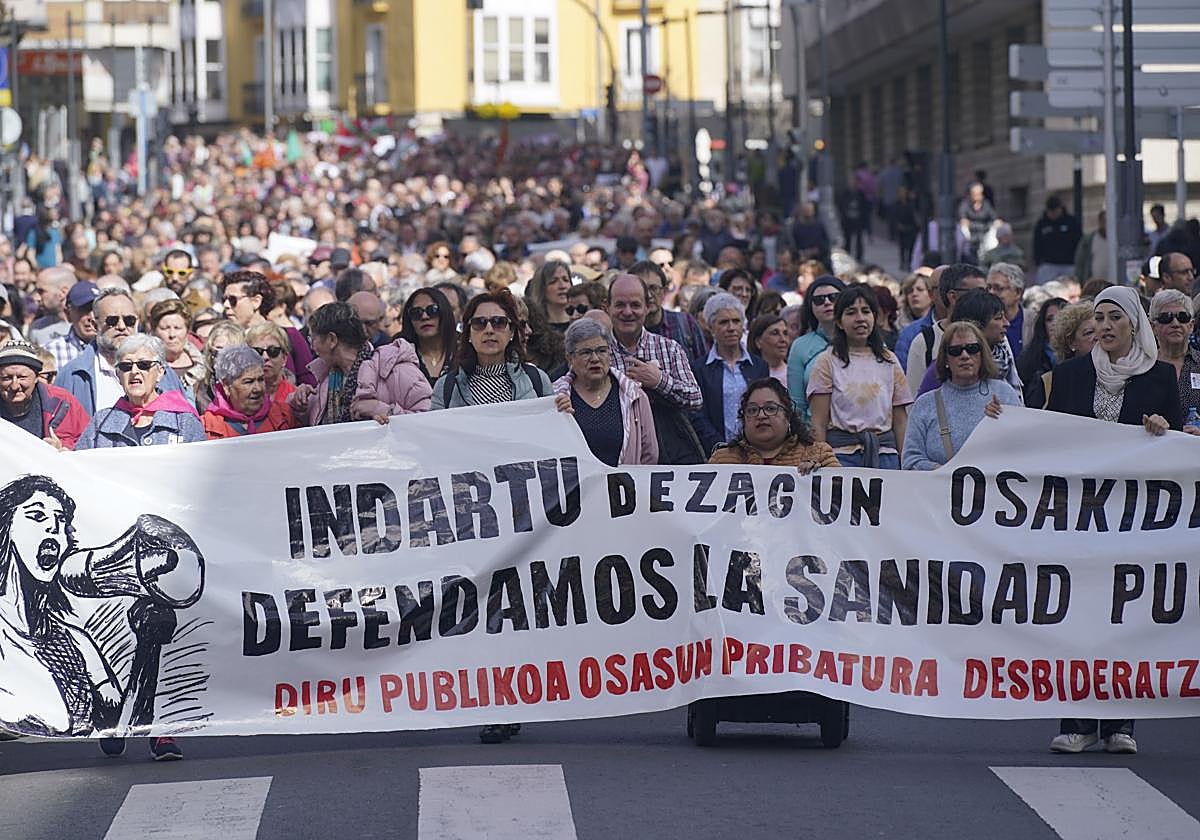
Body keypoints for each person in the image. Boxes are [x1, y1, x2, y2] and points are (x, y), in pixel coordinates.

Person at [1043, 286, 1181, 755]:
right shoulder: (1068, 375)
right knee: (1080, 616)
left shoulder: (1160, 377)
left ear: (1134, 325)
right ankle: (1077, 722)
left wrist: (1164, 431)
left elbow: (1179, 451)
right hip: (1079, 519)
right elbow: (1045, 439)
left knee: (1126, 616)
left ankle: (1121, 724)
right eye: (1097, 318)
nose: (1103, 326)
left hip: (1134, 521)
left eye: (1114, 318)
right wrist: (1002, 422)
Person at [808, 284, 912, 468]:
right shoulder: (826, 361)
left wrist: (906, 463)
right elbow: (819, 421)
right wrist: (820, 460)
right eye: (851, 312)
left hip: (886, 458)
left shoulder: (889, 360)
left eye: (866, 311)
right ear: (839, 321)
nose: (860, 318)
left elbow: (900, 420)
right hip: (840, 459)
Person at [605, 273, 704, 464]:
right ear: (607, 307)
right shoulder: (598, 353)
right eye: (620, 305)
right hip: (615, 458)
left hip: (669, 457)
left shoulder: (669, 348)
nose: (627, 312)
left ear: (647, 307)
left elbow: (695, 399)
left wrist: (659, 381)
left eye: (635, 305)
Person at [902, 321, 1021, 470]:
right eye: (955, 351)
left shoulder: (1005, 394)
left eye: (972, 349)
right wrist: (940, 472)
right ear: (945, 359)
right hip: (940, 491)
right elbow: (910, 461)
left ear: (982, 354)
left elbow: (1023, 449)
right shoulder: (925, 404)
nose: (965, 356)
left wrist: (1004, 421)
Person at [56, 288, 185, 418]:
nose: (122, 326)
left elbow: (183, 419)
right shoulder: (73, 375)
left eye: (129, 320)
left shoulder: (161, 370)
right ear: (95, 325)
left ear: (137, 323)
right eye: (112, 321)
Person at [551, 317, 658, 466]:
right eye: (586, 352)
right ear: (570, 358)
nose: (595, 358)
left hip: (625, 487)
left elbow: (649, 455)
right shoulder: (554, 398)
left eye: (601, 351)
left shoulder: (635, 396)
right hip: (577, 488)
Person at [76, 334, 204, 451]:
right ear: (118, 375)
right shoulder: (101, 422)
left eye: (144, 364)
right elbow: (79, 465)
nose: (134, 371)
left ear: (160, 372)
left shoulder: (184, 420)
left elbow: (200, 468)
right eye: (126, 366)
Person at [430, 290, 552, 412]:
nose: (489, 330)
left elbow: (550, 426)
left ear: (512, 332)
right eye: (479, 323)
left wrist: (561, 410)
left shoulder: (537, 379)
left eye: (499, 322)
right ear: (468, 334)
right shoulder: (446, 387)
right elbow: (434, 429)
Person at [690, 293, 769, 456]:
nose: (731, 327)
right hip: (715, 454)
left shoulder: (759, 366)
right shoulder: (699, 369)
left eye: (736, 321)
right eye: (724, 322)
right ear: (711, 328)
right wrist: (720, 447)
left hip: (756, 452)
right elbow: (698, 416)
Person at [709, 377, 839, 471]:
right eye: (752, 410)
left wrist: (821, 477)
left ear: (787, 416)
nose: (761, 416)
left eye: (770, 408)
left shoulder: (818, 454)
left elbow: (845, 498)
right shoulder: (722, 460)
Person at [915, 289, 1023, 399]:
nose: (1007, 323)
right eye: (998, 318)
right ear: (977, 324)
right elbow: (923, 409)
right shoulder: (940, 369)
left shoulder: (1005, 358)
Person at [222, 271, 316, 386]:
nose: (226, 305)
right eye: (224, 299)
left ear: (256, 301)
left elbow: (309, 381)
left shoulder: (290, 335)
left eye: (232, 300)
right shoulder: (226, 341)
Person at [0, 340, 89, 450]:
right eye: (6, 378)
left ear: (37, 377)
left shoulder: (62, 401)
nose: (14, 386)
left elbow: (88, 441)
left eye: (22, 377)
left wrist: (62, 447)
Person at [202, 344, 295, 439]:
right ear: (226, 386)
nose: (258, 389)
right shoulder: (207, 426)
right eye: (248, 382)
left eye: (261, 379)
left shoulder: (284, 415)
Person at [786, 276, 844, 424]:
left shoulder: (862, 339)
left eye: (834, 297)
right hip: (815, 432)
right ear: (810, 307)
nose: (827, 302)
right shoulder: (799, 346)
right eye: (819, 300)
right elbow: (796, 403)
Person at [632, 261, 707, 364]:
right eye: (642, 288)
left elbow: (702, 369)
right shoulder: (624, 329)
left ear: (664, 292)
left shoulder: (685, 324)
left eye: (654, 288)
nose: (649, 295)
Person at [1148, 290, 1200, 428]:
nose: (1175, 323)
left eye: (1182, 317)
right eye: (1166, 317)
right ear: (1153, 327)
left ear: (1191, 325)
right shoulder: (1142, 366)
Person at [1040, 301, 1097, 408]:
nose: (1097, 337)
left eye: (1099, 330)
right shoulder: (1060, 375)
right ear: (1071, 343)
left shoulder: (1117, 368)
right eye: (1089, 332)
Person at [149, 299, 206, 406]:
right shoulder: (147, 368)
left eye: (177, 328)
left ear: (187, 331)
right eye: (165, 328)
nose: (172, 334)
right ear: (154, 331)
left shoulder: (203, 367)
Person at [400, 287, 457, 388]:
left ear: (444, 312)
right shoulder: (399, 353)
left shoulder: (464, 348)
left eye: (432, 310)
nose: (425, 317)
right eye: (416, 312)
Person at [1016, 297, 1067, 408]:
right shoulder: (1028, 360)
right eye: (1049, 319)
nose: (1055, 323)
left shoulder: (1079, 356)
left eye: (1061, 317)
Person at [246, 321, 298, 423]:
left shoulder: (296, 397)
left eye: (273, 351)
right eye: (257, 352)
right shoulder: (240, 398)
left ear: (284, 358)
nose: (265, 357)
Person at [44, 281, 100, 370]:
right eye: (84, 309)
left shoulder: (114, 349)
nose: (91, 317)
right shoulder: (50, 352)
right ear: (68, 313)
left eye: (96, 309)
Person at [195, 321, 246, 412]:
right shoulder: (200, 390)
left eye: (228, 352)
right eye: (216, 351)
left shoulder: (254, 386)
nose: (221, 357)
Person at [1033, 196, 1082, 285]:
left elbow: (1078, 242)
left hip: (1068, 264)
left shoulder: (1071, 222)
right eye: (1050, 212)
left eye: (1055, 211)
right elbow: (1037, 244)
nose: (1053, 214)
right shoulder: (1042, 224)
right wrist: (1038, 262)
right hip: (1048, 264)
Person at [986, 263, 1026, 357]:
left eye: (998, 288)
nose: (991, 293)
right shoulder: (982, 322)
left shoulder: (1033, 321)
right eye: (988, 288)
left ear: (1018, 292)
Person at [526, 260, 573, 332]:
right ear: (541, 288)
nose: (562, 286)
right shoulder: (532, 327)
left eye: (566, 280)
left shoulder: (580, 322)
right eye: (553, 281)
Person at [749, 314, 790, 387]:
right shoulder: (749, 375)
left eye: (785, 333)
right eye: (775, 333)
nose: (783, 339)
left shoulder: (796, 373)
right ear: (758, 341)